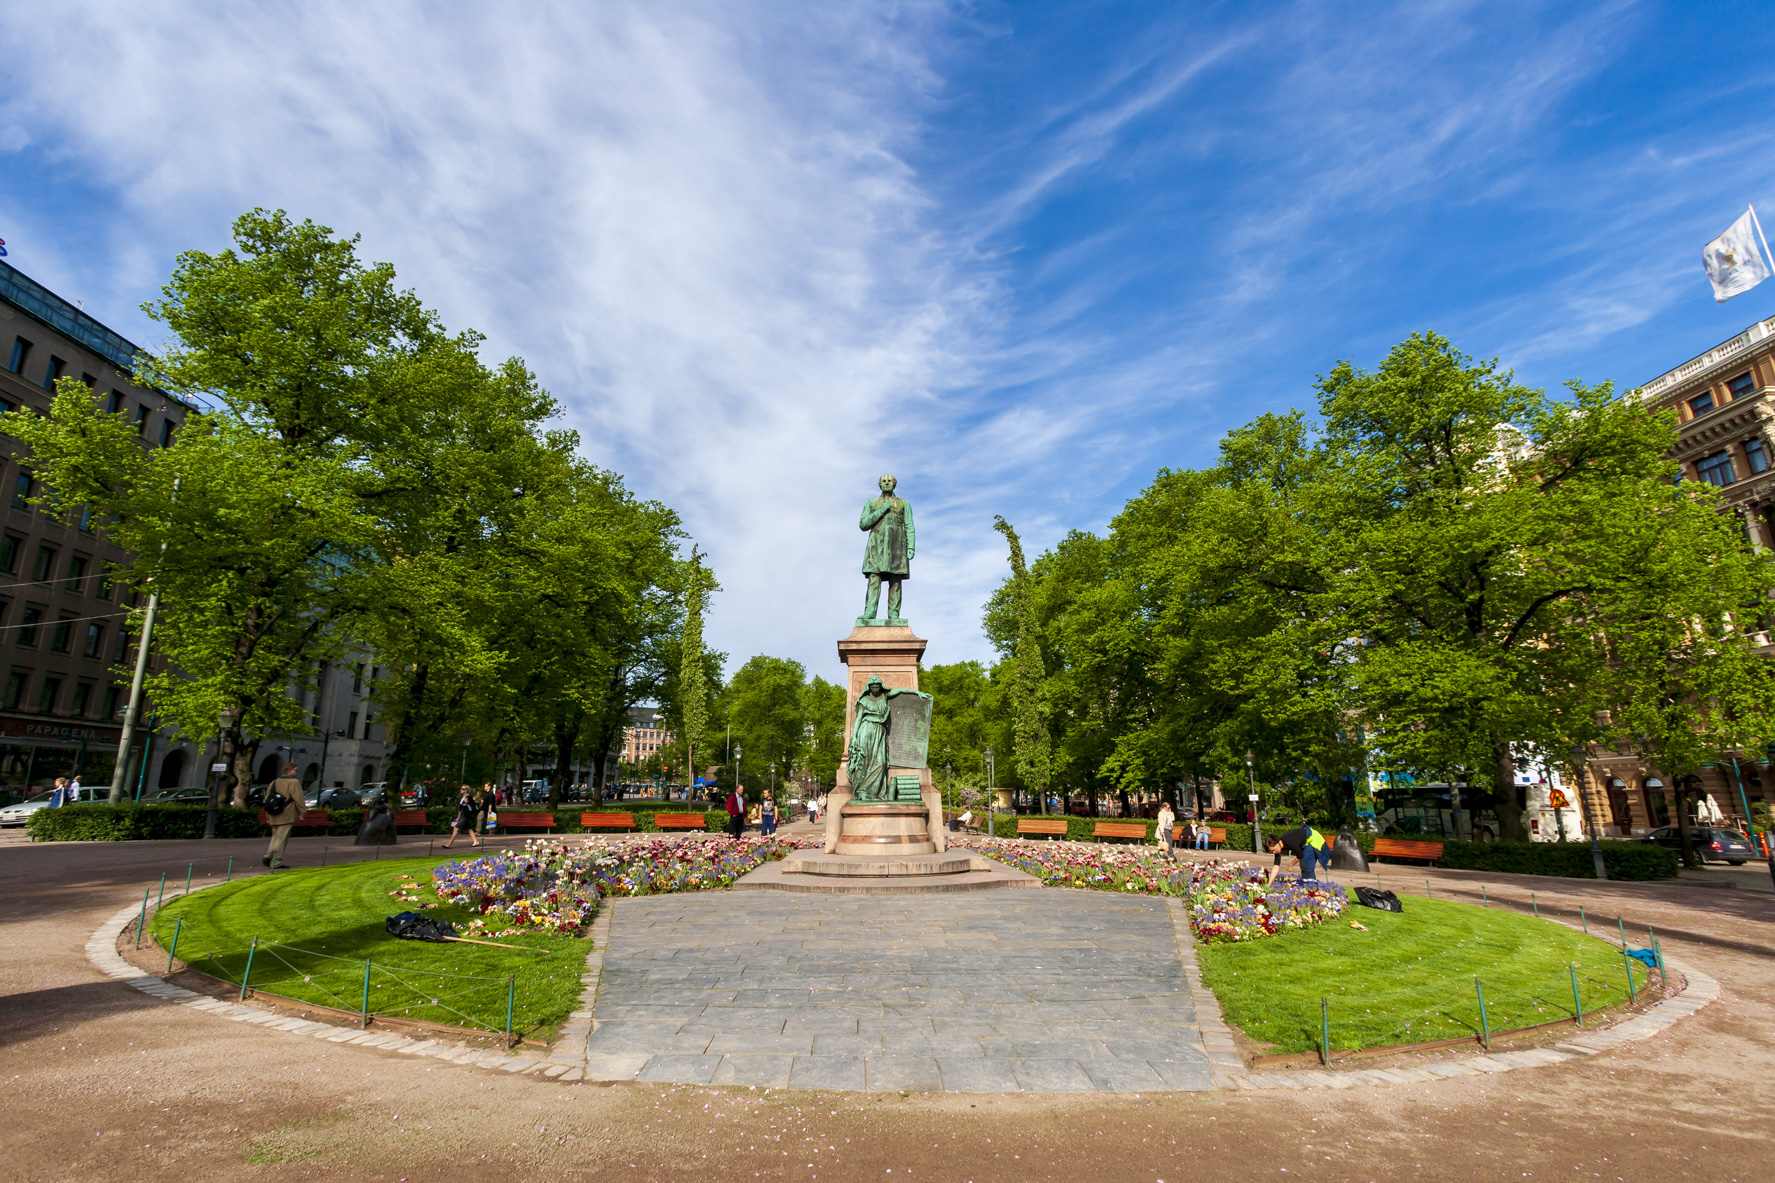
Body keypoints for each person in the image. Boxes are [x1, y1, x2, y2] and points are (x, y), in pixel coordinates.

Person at [262, 764, 303, 868]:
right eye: (295, 770)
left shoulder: (274, 782)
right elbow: (299, 799)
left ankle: (268, 855)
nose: (296, 772)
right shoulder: (294, 782)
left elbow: (267, 799)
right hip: (286, 813)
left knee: (275, 837)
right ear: (289, 771)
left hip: (273, 813)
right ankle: (276, 861)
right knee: (282, 839)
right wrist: (302, 812)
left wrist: (267, 816)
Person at [1264, 824, 1331, 882]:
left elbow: (1300, 855)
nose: (1274, 852)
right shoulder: (1279, 846)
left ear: (1277, 843)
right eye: (1272, 851)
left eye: (1274, 850)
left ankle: (1311, 886)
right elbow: (1276, 866)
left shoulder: (1288, 841)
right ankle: (1308, 886)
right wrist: (1269, 883)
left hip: (1313, 839)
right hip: (1305, 843)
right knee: (1304, 864)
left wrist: (1290, 865)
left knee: (1306, 863)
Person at [444, 784, 481, 849]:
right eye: (461, 789)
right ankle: (476, 841)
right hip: (462, 815)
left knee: (456, 828)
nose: (461, 790)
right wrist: (458, 817)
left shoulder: (468, 797)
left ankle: (449, 844)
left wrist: (466, 803)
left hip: (466, 815)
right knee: (468, 828)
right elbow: (460, 808)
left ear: (467, 790)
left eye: (463, 789)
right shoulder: (462, 797)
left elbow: (472, 804)